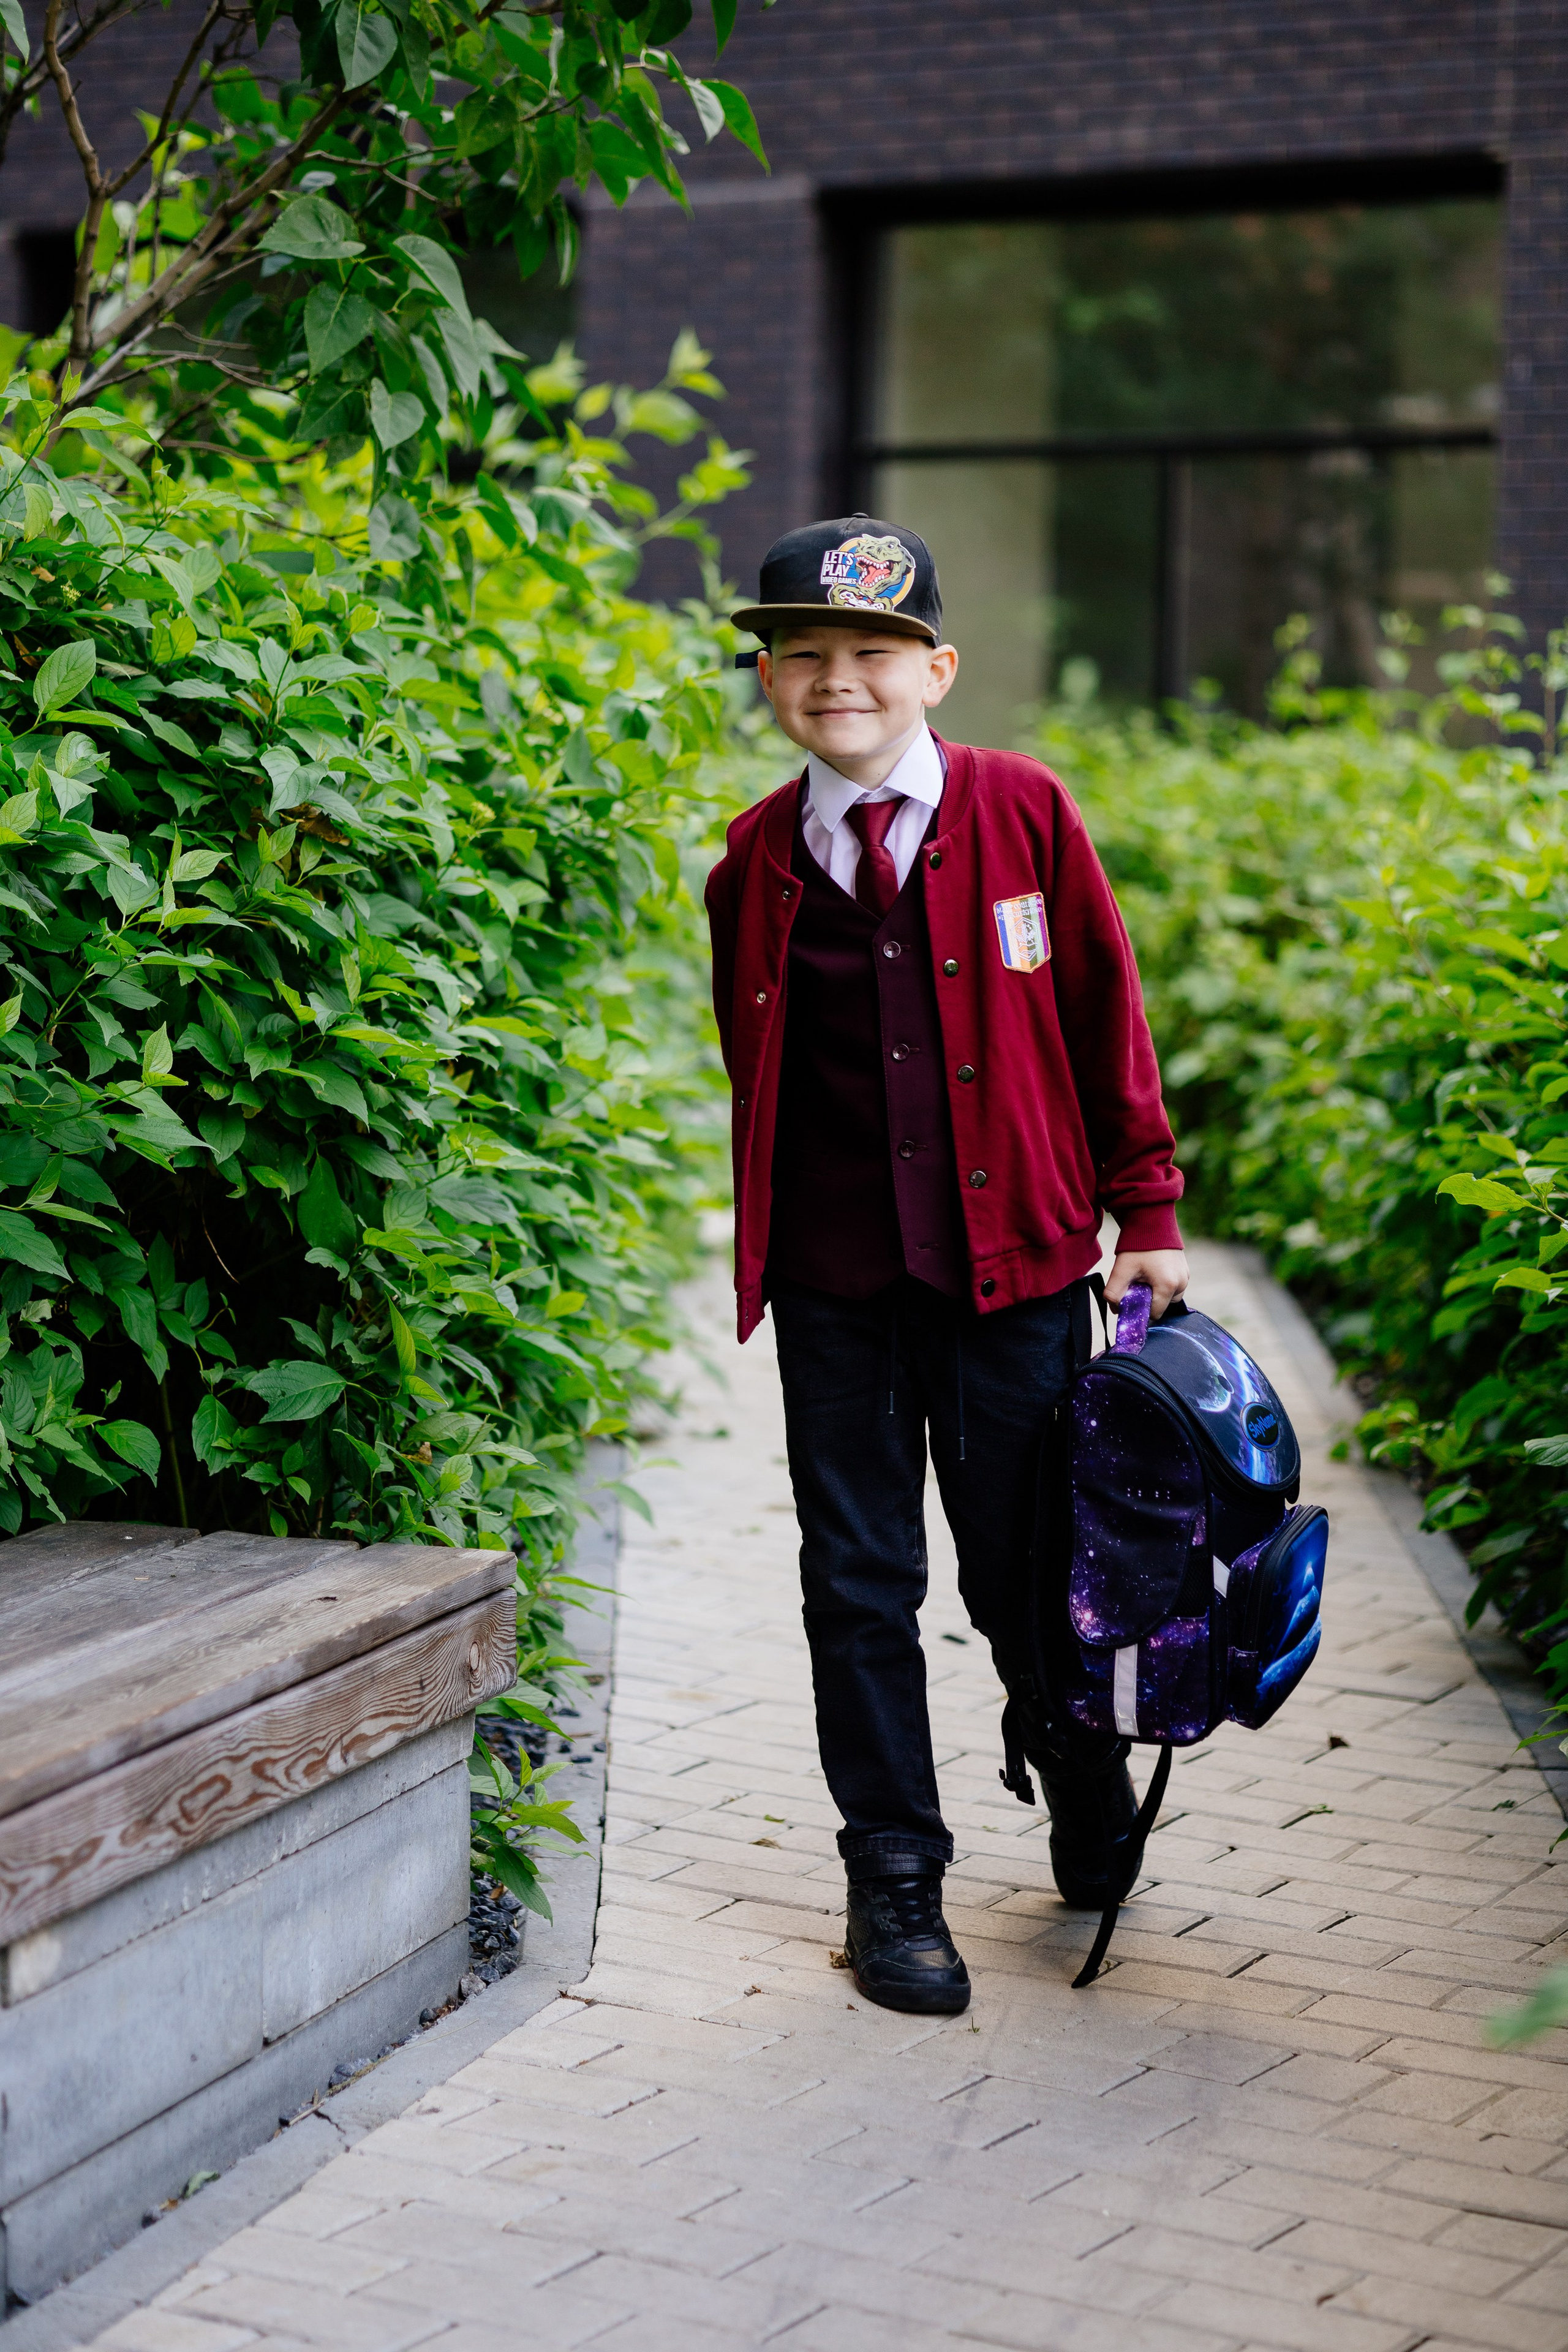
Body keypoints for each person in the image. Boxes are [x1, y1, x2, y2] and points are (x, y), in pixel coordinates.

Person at [705, 516, 1188, 2015]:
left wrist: (1147, 1210)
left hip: (1017, 1276)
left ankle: (1080, 1774)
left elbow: (1101, 1014)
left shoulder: (1022, 812)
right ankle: (893, 1873)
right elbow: (756, 1064)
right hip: (840, 1293)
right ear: (772, 681)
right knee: (855, 1581)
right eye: (803, 657)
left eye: (868, 653)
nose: (835, 680)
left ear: (934, 668)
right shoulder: (751, 867)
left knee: (1023, 1573)